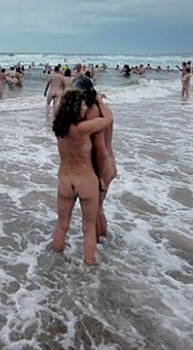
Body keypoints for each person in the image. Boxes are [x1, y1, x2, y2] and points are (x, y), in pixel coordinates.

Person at [52, 89, 113, 265]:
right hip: (86, 181)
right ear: (76, 107)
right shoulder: (82, 129)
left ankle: (54, 261)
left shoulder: (59, 128)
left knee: (62, 224)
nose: (85, 108)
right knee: (88, 228)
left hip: (65, 182)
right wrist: (99, 100)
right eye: (83, 105)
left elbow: (59, 109)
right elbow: (108, 119)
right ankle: (89, 268)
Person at [72, 76, 117, 243]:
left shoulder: (92, 113)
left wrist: (99, 178)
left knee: (94, 213)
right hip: (109, 163)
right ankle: (103, 243)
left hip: (102, 166)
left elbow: (100, 151)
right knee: (98, 209)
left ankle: (97, 247)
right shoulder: (103, 109)